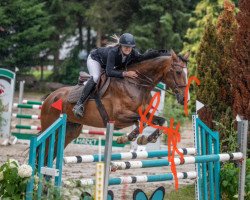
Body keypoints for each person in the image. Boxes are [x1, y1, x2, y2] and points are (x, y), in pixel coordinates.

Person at [72, 33, 141, 118]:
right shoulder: (113, 52)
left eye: (130, 47)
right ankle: (79, 104)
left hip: (106, 64)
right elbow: (109, 72)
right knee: (96, 77)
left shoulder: (134, 53)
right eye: (125, 46)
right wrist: (126, 73)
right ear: (121, 46)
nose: (128, 49)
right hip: (95, 59)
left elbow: (143, 58)